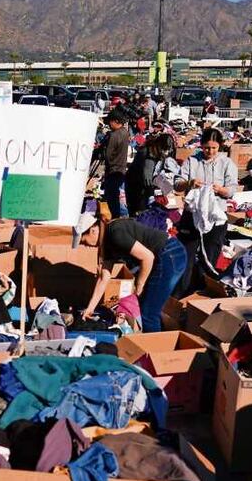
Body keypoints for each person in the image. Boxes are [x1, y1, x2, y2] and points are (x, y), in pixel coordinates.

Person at [75, 213, 186, 333]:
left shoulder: (115, 232)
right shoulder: (106, 244)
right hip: (164, 256)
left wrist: (139, 285)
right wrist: (90, 309)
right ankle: (160, 338)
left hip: (170, 255)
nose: (85, 246)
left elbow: (148, 257)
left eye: (83, 241)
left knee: (148, 314)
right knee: (147, 307)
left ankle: (155, 347)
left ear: (92, 230)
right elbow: (103, 278)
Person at [173, 128, 238, 292]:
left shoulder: (227, 164)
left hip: (215, 219)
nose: (210, 151)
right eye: (207, 147)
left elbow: (231, 191)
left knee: (208, 258)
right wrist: (190, 183)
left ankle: (199, 293)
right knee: (185, 257)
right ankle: (180, 294)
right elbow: (177, 184)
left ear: (220, 147)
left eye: (214, 148)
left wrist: (219, 190)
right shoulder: (192, 161)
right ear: (201, 145)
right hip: (192, 216)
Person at [125, 132, 177, 215]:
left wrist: (166, 187)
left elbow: (156, 173)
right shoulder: (149, 155)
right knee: (140, 212)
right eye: (165, 149)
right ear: (159, 145)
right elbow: (147, 178)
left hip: (140, 186)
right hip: (136, 188)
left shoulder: (156, 153)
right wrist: (152, 194)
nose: (166, 153)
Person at [101, 111, 130, 218]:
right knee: (121, 197)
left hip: (113, 170)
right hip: (121, 169)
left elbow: (107, 155)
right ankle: (123, 217)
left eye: (110, 121)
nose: (109, 124)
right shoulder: (125, 132)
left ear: (116, 121)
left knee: (112, 197)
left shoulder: (114, 135)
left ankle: (117, 217)